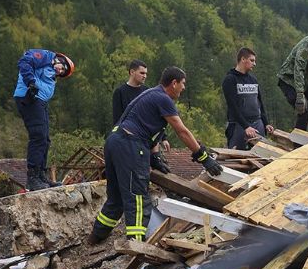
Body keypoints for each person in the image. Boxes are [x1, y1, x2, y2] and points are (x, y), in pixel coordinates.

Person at [87, 67, 223, 245]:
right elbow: (182, 131)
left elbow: (149, 130)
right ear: (173, 83)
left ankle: (96, 237)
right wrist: (203, 157)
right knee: (137, 197)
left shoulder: (150, 94)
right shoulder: (163, 99)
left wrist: (154, 157)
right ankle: (136, 244)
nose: (183, 88)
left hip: (114, 142)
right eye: (182, 84)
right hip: (130, 144)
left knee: (116, 197)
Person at [13, 49, 75, 190]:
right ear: (60, 59)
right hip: (29, 97)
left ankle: (41, 175)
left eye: (62, 73)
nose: (60, 72)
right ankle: (33, 178)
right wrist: (31, 82)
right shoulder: (46, 57)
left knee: (45, 139)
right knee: (38, 136)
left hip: (40, 102)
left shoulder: (51, 72)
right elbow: (24, 61)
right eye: (63, 68)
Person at [223, 47, 272, 150]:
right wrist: (246, 126)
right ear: (243, 59)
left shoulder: (253, 80)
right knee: (237, 156)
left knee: (261, 155)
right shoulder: (230, 79)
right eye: (252, 60)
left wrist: (266, 123)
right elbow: (233, 107)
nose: (254, 64)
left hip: (257, 123)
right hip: (238, 125)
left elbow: (260, 103)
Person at [112, 60, 149, 126]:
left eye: (146, 74)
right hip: (126, 130)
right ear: (132, 72)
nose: (145, 76)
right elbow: (117, 119)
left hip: (144, 131)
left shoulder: (147, 91)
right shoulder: (120, 92)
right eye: (142, 73)